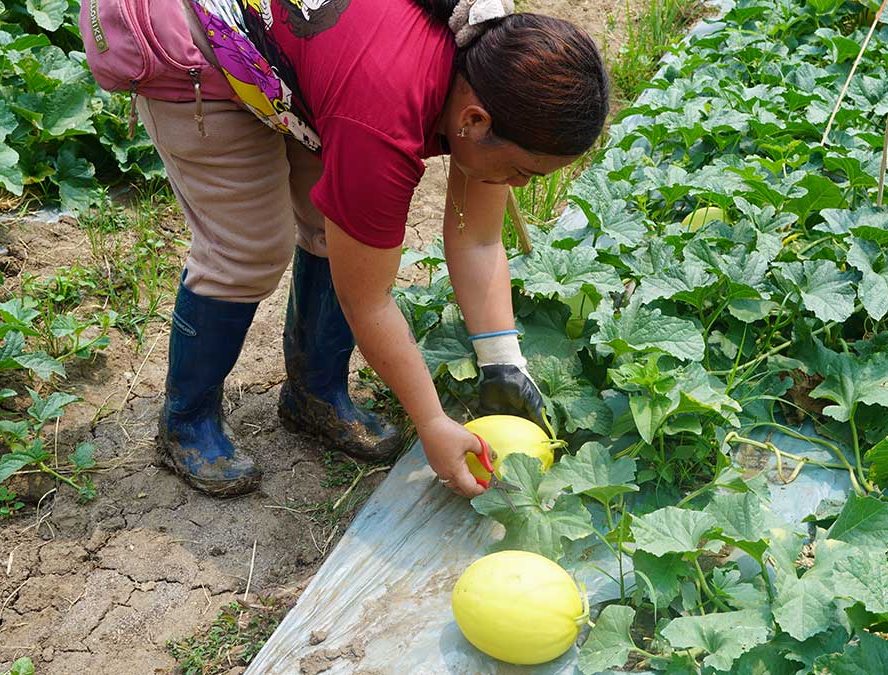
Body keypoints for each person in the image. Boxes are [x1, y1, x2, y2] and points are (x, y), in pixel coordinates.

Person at [135, 0, 610, 499]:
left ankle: (313, 395)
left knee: (332, 225)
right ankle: (187, 422)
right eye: (522, 173)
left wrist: (503, 363)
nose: (515, 184)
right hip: (191, 36)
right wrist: (430, 421)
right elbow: (368, 299)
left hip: (297, 47)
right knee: (248, 250)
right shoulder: (386, 115)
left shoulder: (490, 69)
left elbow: (480, 236)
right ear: (474, 119)